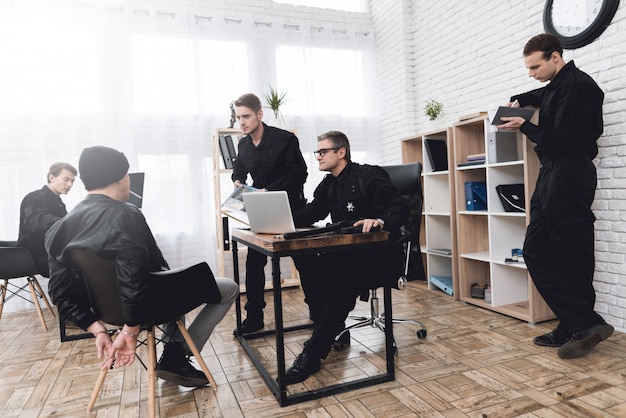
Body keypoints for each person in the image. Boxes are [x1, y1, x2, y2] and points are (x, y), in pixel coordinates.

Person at [45, 145, 239, 387]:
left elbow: (60, 293)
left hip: (107, 312)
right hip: (144, 308)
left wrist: (98, 329)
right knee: (228, 288)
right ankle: (176, 355)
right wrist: (130, 330)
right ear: (119, 178)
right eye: (126, 174)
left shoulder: (58, 228)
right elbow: (135, 279)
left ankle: (174, 356)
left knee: (170, 281)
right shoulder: (127, 215)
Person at [497, 33, 612, 359]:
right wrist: (517, 103)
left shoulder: (579, 87)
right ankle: (575, 322)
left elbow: (559, 139)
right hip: (552, 172)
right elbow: (539, 95)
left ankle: (584, 323)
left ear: (555, 58)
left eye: (535, 66)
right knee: (538, 250)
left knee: (571, 250)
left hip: (569, 170)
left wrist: (524, 125)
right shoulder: (556, 87)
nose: (531, 73)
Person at [284, 130, 409, 384]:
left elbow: (400, 205)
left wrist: (380, 220)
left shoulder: (369, 175)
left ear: (341, 152)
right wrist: (279, 219)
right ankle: (330, 331)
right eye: (317, 152)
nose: (317, 156)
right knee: (305, 258)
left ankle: (313, 353)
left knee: (342, 281)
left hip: (380, 256)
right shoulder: (328, 184)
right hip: (346, 254)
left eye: (323, 151)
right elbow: (311, 212)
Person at [231, 93, 308, 333]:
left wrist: (268, 189)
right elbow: (240, 167)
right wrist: (238, 180)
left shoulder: (285, 139)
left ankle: (319, 311)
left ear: (260, 114)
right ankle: (254, 317)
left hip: (291, 208)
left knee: (305, 263)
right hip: (263, 207)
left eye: (246, 116)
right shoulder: (243, 143)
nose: (241, 122)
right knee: (254, 261)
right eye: (238, 117)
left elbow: (300, 174)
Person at [17, 162, 77, 277]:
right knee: (80, 265)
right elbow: (37, 221)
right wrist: (71, 222)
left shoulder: (58, 202)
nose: (69, 184)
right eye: (66, 179)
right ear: (51, 177)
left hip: (50, 252)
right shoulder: (36, 196)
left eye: (72, 181)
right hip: (34, 256)